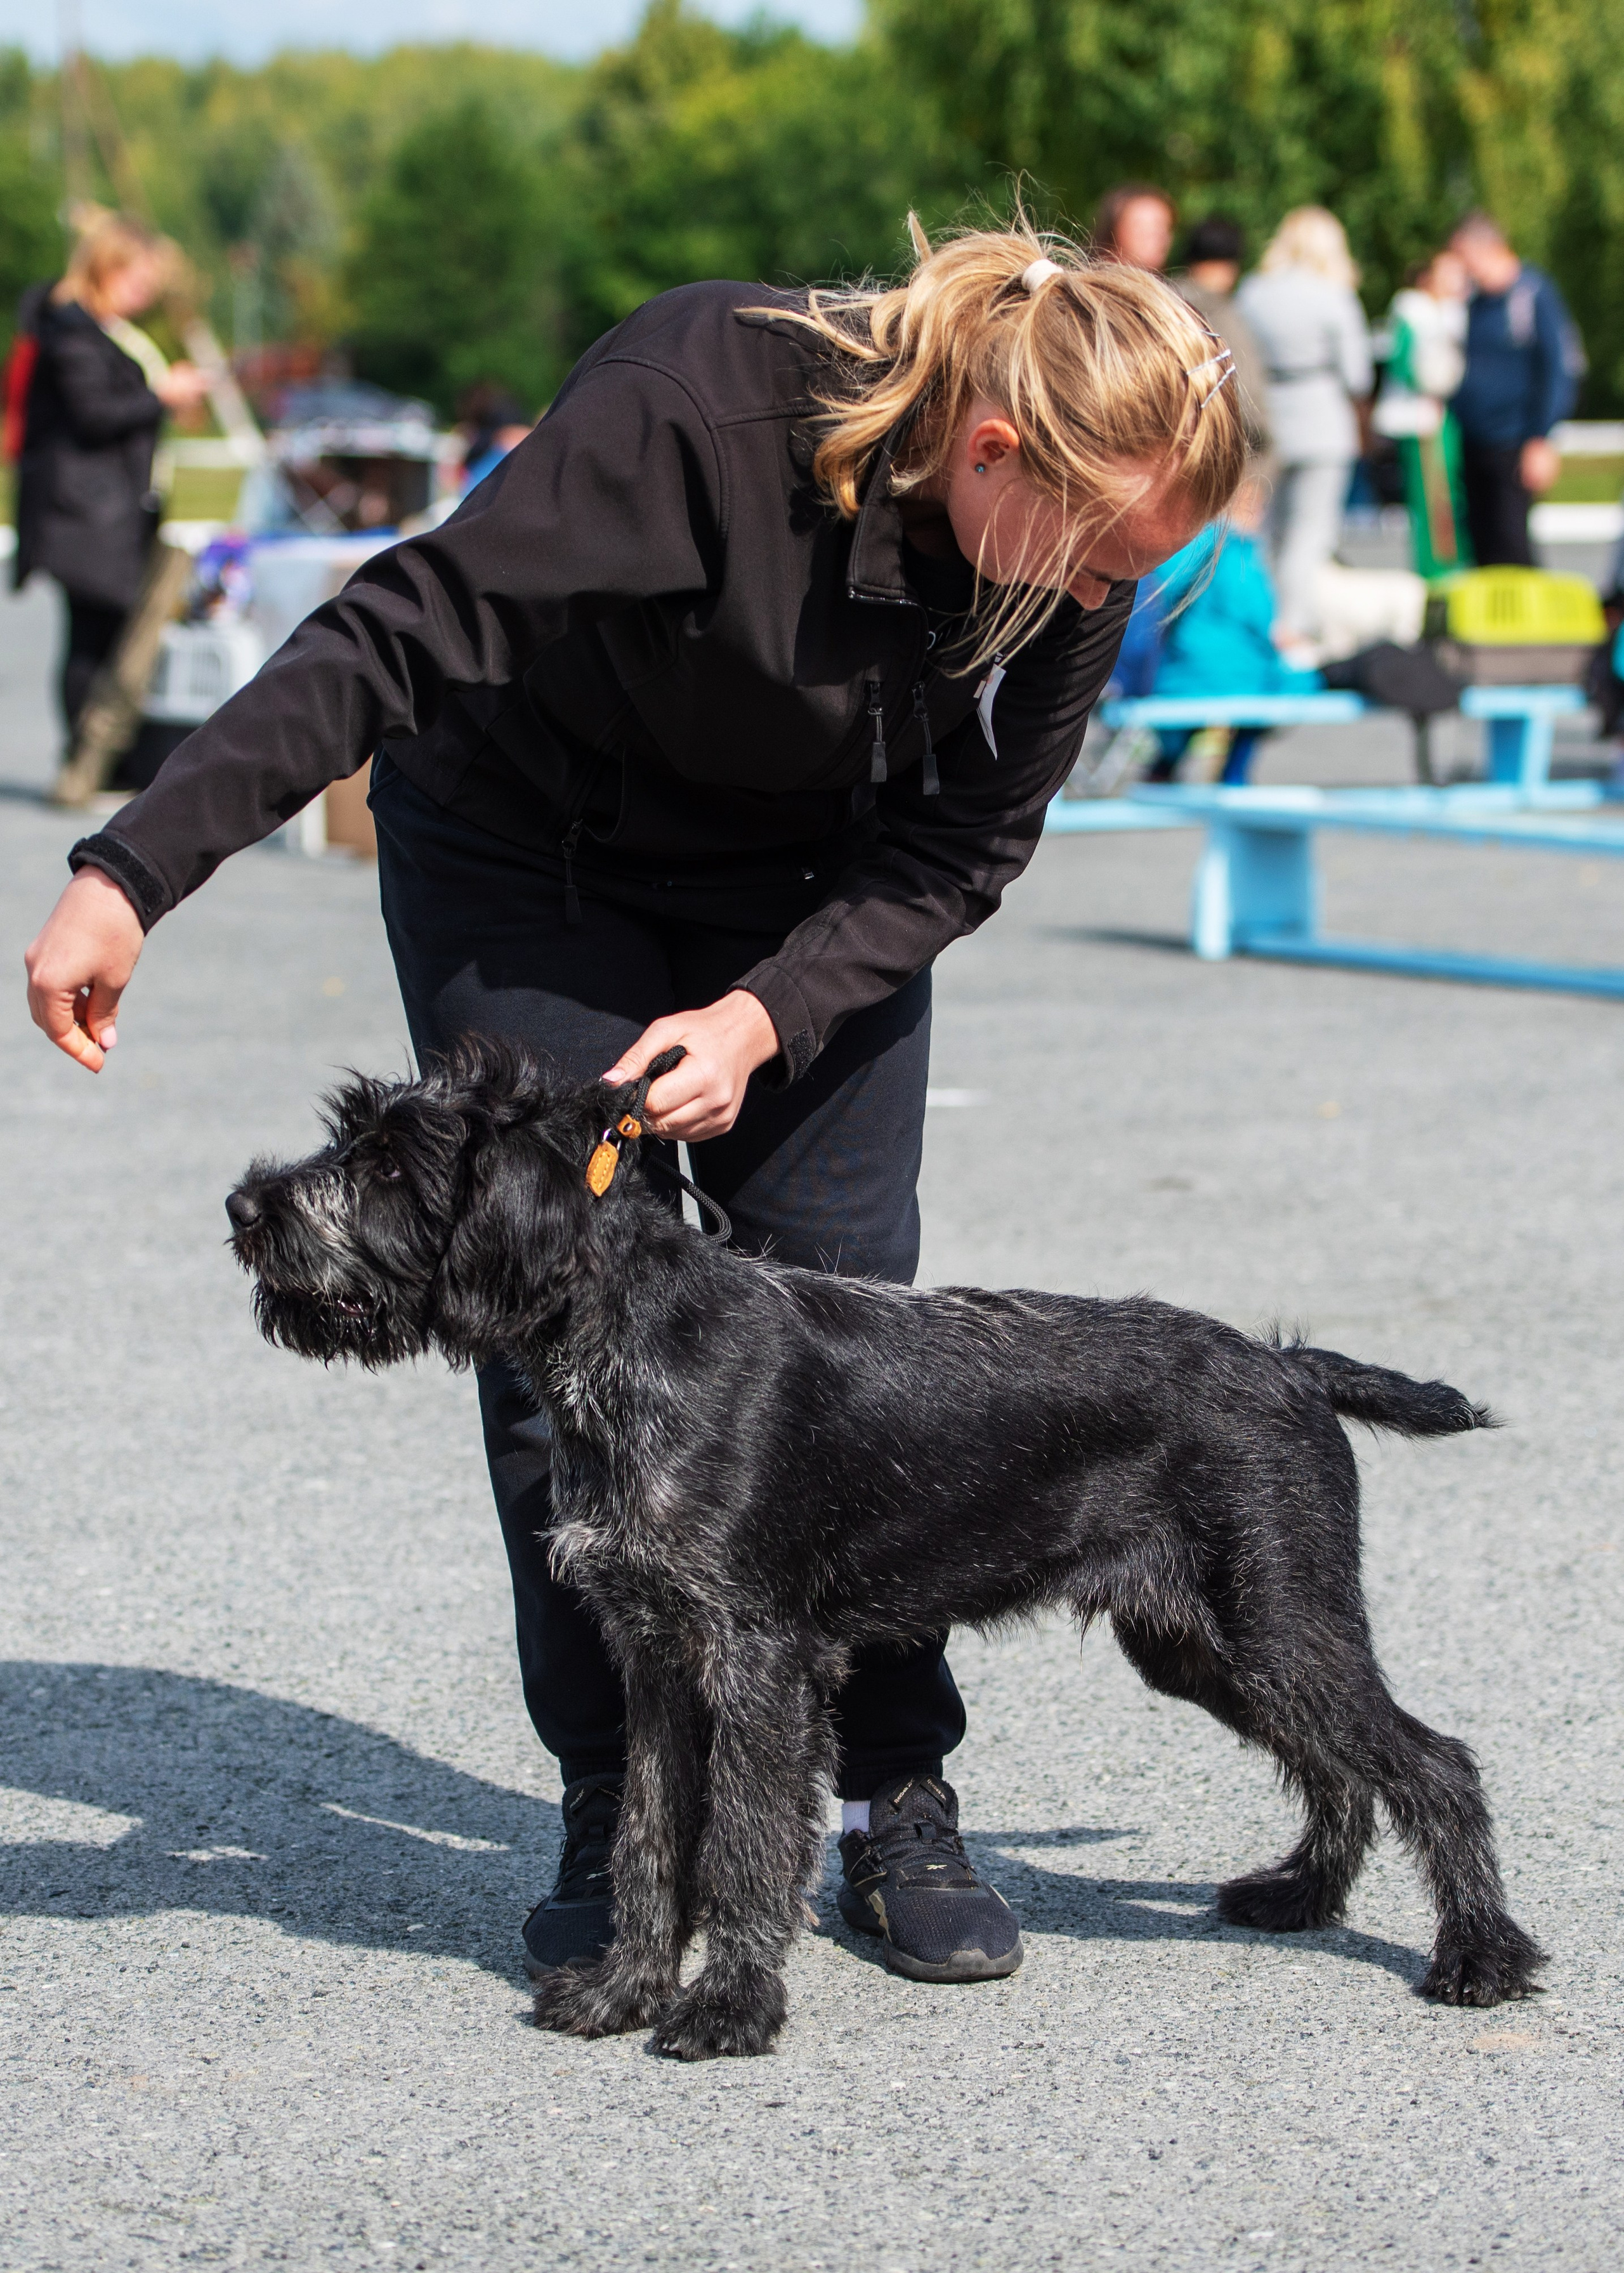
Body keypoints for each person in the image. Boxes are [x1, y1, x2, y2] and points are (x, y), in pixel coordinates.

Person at [24, 221, 1244, 1991]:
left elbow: (968, 841)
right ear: (994, 455)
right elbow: (402, 623)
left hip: (807, 893)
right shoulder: (700, 406)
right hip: (539, 847)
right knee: (556, 1310)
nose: (1100, 599)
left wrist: (767, 1009)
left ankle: (890, 1786)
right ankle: (621, 1792)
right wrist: (134, 868)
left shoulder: (1077, 550)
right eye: (1101, 558)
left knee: (854, 1334)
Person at [10, 212, 209, 746]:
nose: (144, 296)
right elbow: (95, 413)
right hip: (82, 510)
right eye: (138, 282)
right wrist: (162, 396)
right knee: (92, 638)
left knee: (106, 635)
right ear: (107, 268)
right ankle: (86, 755)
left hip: (104, 506)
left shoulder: (100, 331)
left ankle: (99, 755)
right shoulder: (74, 333)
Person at [1236, 207, 1373, 654]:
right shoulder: (1334, 295)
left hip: (1266, 415)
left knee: (1263, 528)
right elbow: (1357, 375)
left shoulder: (1255, 292)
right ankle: (1294, 624)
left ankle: (1259, 617)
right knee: (1310, 531)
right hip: (1323, 420)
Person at [1142, 476, 1320, 784]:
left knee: (1203, 695)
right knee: (1291, 682)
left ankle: (1165, 765)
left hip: (1187, 671)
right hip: (1229, 675)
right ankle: (1234, 773)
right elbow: (1260, 615)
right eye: (1254, 505)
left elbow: (1161, 587)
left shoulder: (1197, 542)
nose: (1258, 512)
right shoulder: (1241, 553)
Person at [1448, 213, 1581, 568]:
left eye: (1464, 257)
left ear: (1487, 249)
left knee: (1511, 540)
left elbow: (1559, 369)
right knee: (1479, 538)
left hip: (1515, 440)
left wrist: (1542, 437)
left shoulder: (1533, 295)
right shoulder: (1476, 303)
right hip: (1474, 439)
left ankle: (1522, 623)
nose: (1462, 268)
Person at [1372, 251, 1471, 579]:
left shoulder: (1453, 311)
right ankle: (1437, 572)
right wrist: (1436, 380)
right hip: (1422, 419)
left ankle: (1452, 564)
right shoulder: (1412, 312)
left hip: (1446, 417)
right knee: (1433, 499)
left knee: (1450, 495)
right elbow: (1406, 364)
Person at [1172, 216, 1272, 473]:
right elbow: (1246, 394)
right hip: (1225, 464)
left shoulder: (1161, 302)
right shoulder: (1224, 316)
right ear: (1232, 265)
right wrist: (1262, 457)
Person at [1094, 183, 1176, 273]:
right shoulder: (1095, 283)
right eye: (1142, 227)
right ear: (1113, 230)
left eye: (1164, 227)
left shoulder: (1155, 284)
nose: (1158, 236)